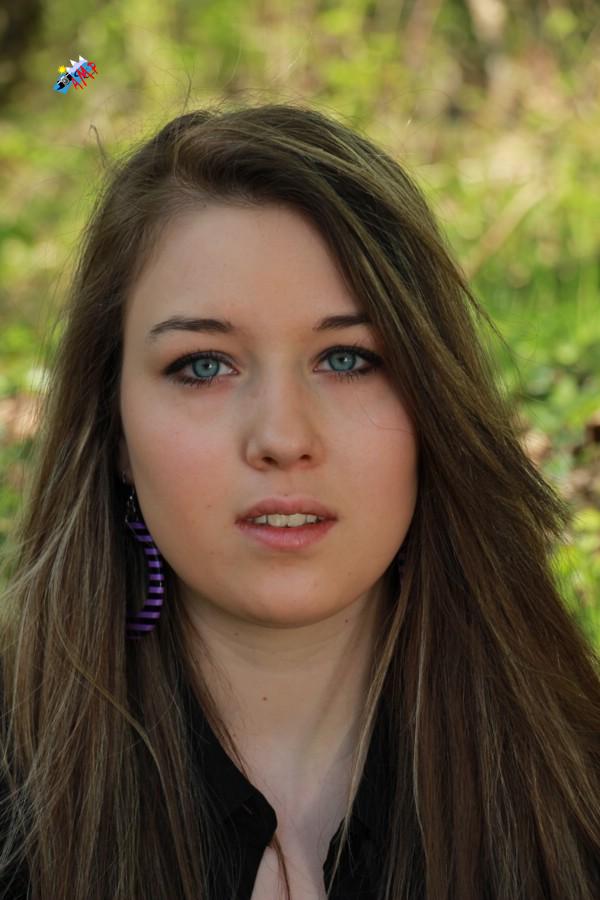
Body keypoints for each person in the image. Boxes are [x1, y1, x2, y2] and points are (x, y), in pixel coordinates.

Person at [0, 101, 599, 900]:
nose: (283, 437)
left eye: (347, 359)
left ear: (435, 404)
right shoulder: (15, 790)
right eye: (204, 365)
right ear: (113, 428)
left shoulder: (578, 784)